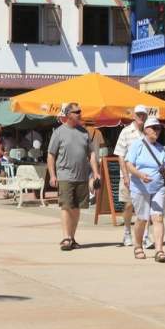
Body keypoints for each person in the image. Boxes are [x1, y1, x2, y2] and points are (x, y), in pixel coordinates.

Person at [125, 118, 165, 262]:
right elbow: (129, 164)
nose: (157, 131)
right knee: (142, 218)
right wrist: (140, 175)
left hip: (158, 187)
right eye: (153, 128)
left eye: (158, 128)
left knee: (158, 218)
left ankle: (159, 250)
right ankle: (138, 246)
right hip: (140, 187)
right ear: (146, 129)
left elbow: (164, 169)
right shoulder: (137, 145)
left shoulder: (161, 148)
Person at [48, 103, 95, 251]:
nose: (80, 114)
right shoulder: (59, 132)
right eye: (77, 112)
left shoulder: (84, 132)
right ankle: (66, 237)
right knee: (66, 206)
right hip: (65, 175)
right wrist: (52, 175)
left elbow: (91, 153)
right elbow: (51, 155)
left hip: (82, 176)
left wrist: (96, 172)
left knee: (77, 208)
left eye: (80, 111)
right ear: (68, 115)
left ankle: (72, 237)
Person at [115, 105, 152, 247]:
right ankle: (127, 233)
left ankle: (146, 236)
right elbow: (120, 155)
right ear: (133, 116)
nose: (141, 117)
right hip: (129, 175)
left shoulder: (148, 132)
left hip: (144, 175)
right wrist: (125, 176)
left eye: (143, 115)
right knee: (128, 205)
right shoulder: (126, 132)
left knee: (146, 206)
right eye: (139, 114)